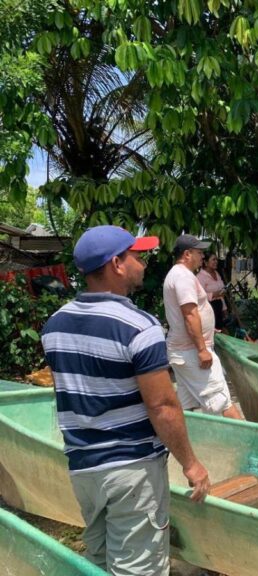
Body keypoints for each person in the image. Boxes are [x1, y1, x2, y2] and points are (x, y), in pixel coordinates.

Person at [41, 225, 209, 575]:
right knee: (138, 568)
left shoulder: (55, 325)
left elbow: (72, 392)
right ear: (117, 263)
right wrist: (191, 464)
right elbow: (162, 406)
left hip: (83, 467)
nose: (144, 263)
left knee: (100, 562)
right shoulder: (138, 326)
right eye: (137, 256)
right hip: (130, 470)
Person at [163, 234, 243, 420]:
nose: (202, 257)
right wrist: (201, 348)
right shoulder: (183, 276)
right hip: (192, 351)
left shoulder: (180, 275)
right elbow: (190, 314)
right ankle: (249, 446)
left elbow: (195, 313)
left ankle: (189, 444)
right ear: (187, 254)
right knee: (222, 401)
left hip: (185, 350)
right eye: (199, 253)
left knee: (186, 406)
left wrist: (205, 331)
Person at [197, 252, 228, 331]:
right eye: (213, 259)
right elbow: (198, 296)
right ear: (206, 262)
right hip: (208, 308)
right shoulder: (200, 277)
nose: (216, 262)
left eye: (216, 259)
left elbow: (221, 293)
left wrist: (224, 308)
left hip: (219, 307)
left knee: (220, 331)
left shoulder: (217, 273)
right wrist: (213, 295)